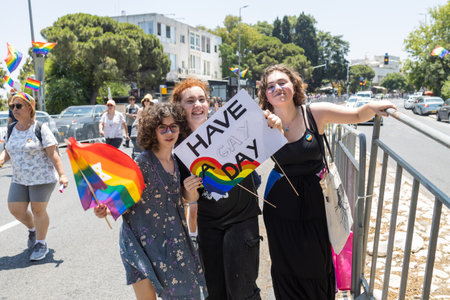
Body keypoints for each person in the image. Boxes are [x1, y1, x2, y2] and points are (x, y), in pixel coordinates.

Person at [258, 64, 396, 299]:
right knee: (285, 266)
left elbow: (355, 115)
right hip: (280, 205)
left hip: (316, 201)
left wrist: (373, 107)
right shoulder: (262, 123)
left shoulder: (314, 112)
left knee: (316, 264)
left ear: (294, 85)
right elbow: (234, 157)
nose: (277, 88)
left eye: (282, 82)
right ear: (265, 95)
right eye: (270, 86)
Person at [171, 77, 281, 300]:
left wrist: (272, 124)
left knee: (242, 291)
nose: (198, 105)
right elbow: (186, 201)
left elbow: (268, 135)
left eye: (202, 99)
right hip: (208, 226)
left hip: (242, 218)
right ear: (180, 108)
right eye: (190, 101)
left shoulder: (234, 127)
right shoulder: (178, 150)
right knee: (215, 292)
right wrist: (188, 192)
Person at [94, 103, 206, 300]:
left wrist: (190, 193)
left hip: (172, 242)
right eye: (162, 127)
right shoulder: (141, 163)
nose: (169, 132)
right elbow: (115, 198)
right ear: (152, 130)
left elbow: (185, 200)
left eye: (174, 127)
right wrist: (103, 209)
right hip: (139, 244)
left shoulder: (177, 162)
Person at [0, 92, 69, 261]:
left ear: (29, 108)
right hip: (20, 178)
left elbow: (53, 153)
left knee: (38, 209)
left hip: (42, 178)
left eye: (18, 106)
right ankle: (32, 229)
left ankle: (40, 243)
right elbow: (8, 150)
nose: (14, 109)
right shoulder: (11, 129)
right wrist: (1, 159)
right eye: (12, 106)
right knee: (15, 209)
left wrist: (62, 174)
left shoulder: (40, 128)